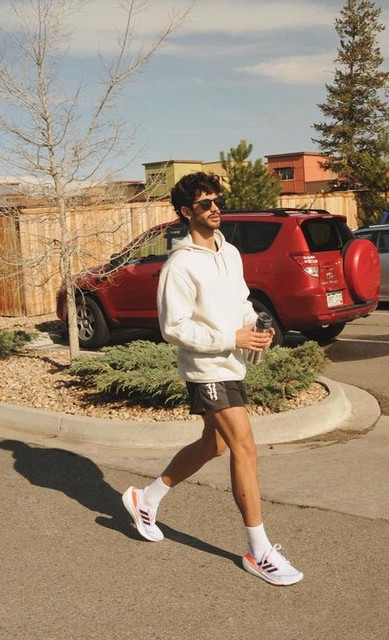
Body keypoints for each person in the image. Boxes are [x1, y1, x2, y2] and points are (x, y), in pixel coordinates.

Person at [122, 171, 303, 587]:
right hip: (206, 368)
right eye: (205, 203)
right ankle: (259, 551)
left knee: (215, 444)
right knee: (245, 446)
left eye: (217, 200)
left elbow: (241, 301)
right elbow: (173, 327)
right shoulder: (179, 265)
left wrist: (254, 329)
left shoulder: (230, 252)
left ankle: (145, 498)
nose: (215, 208)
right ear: (186, 212)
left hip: (231, 363)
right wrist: (229, 338)